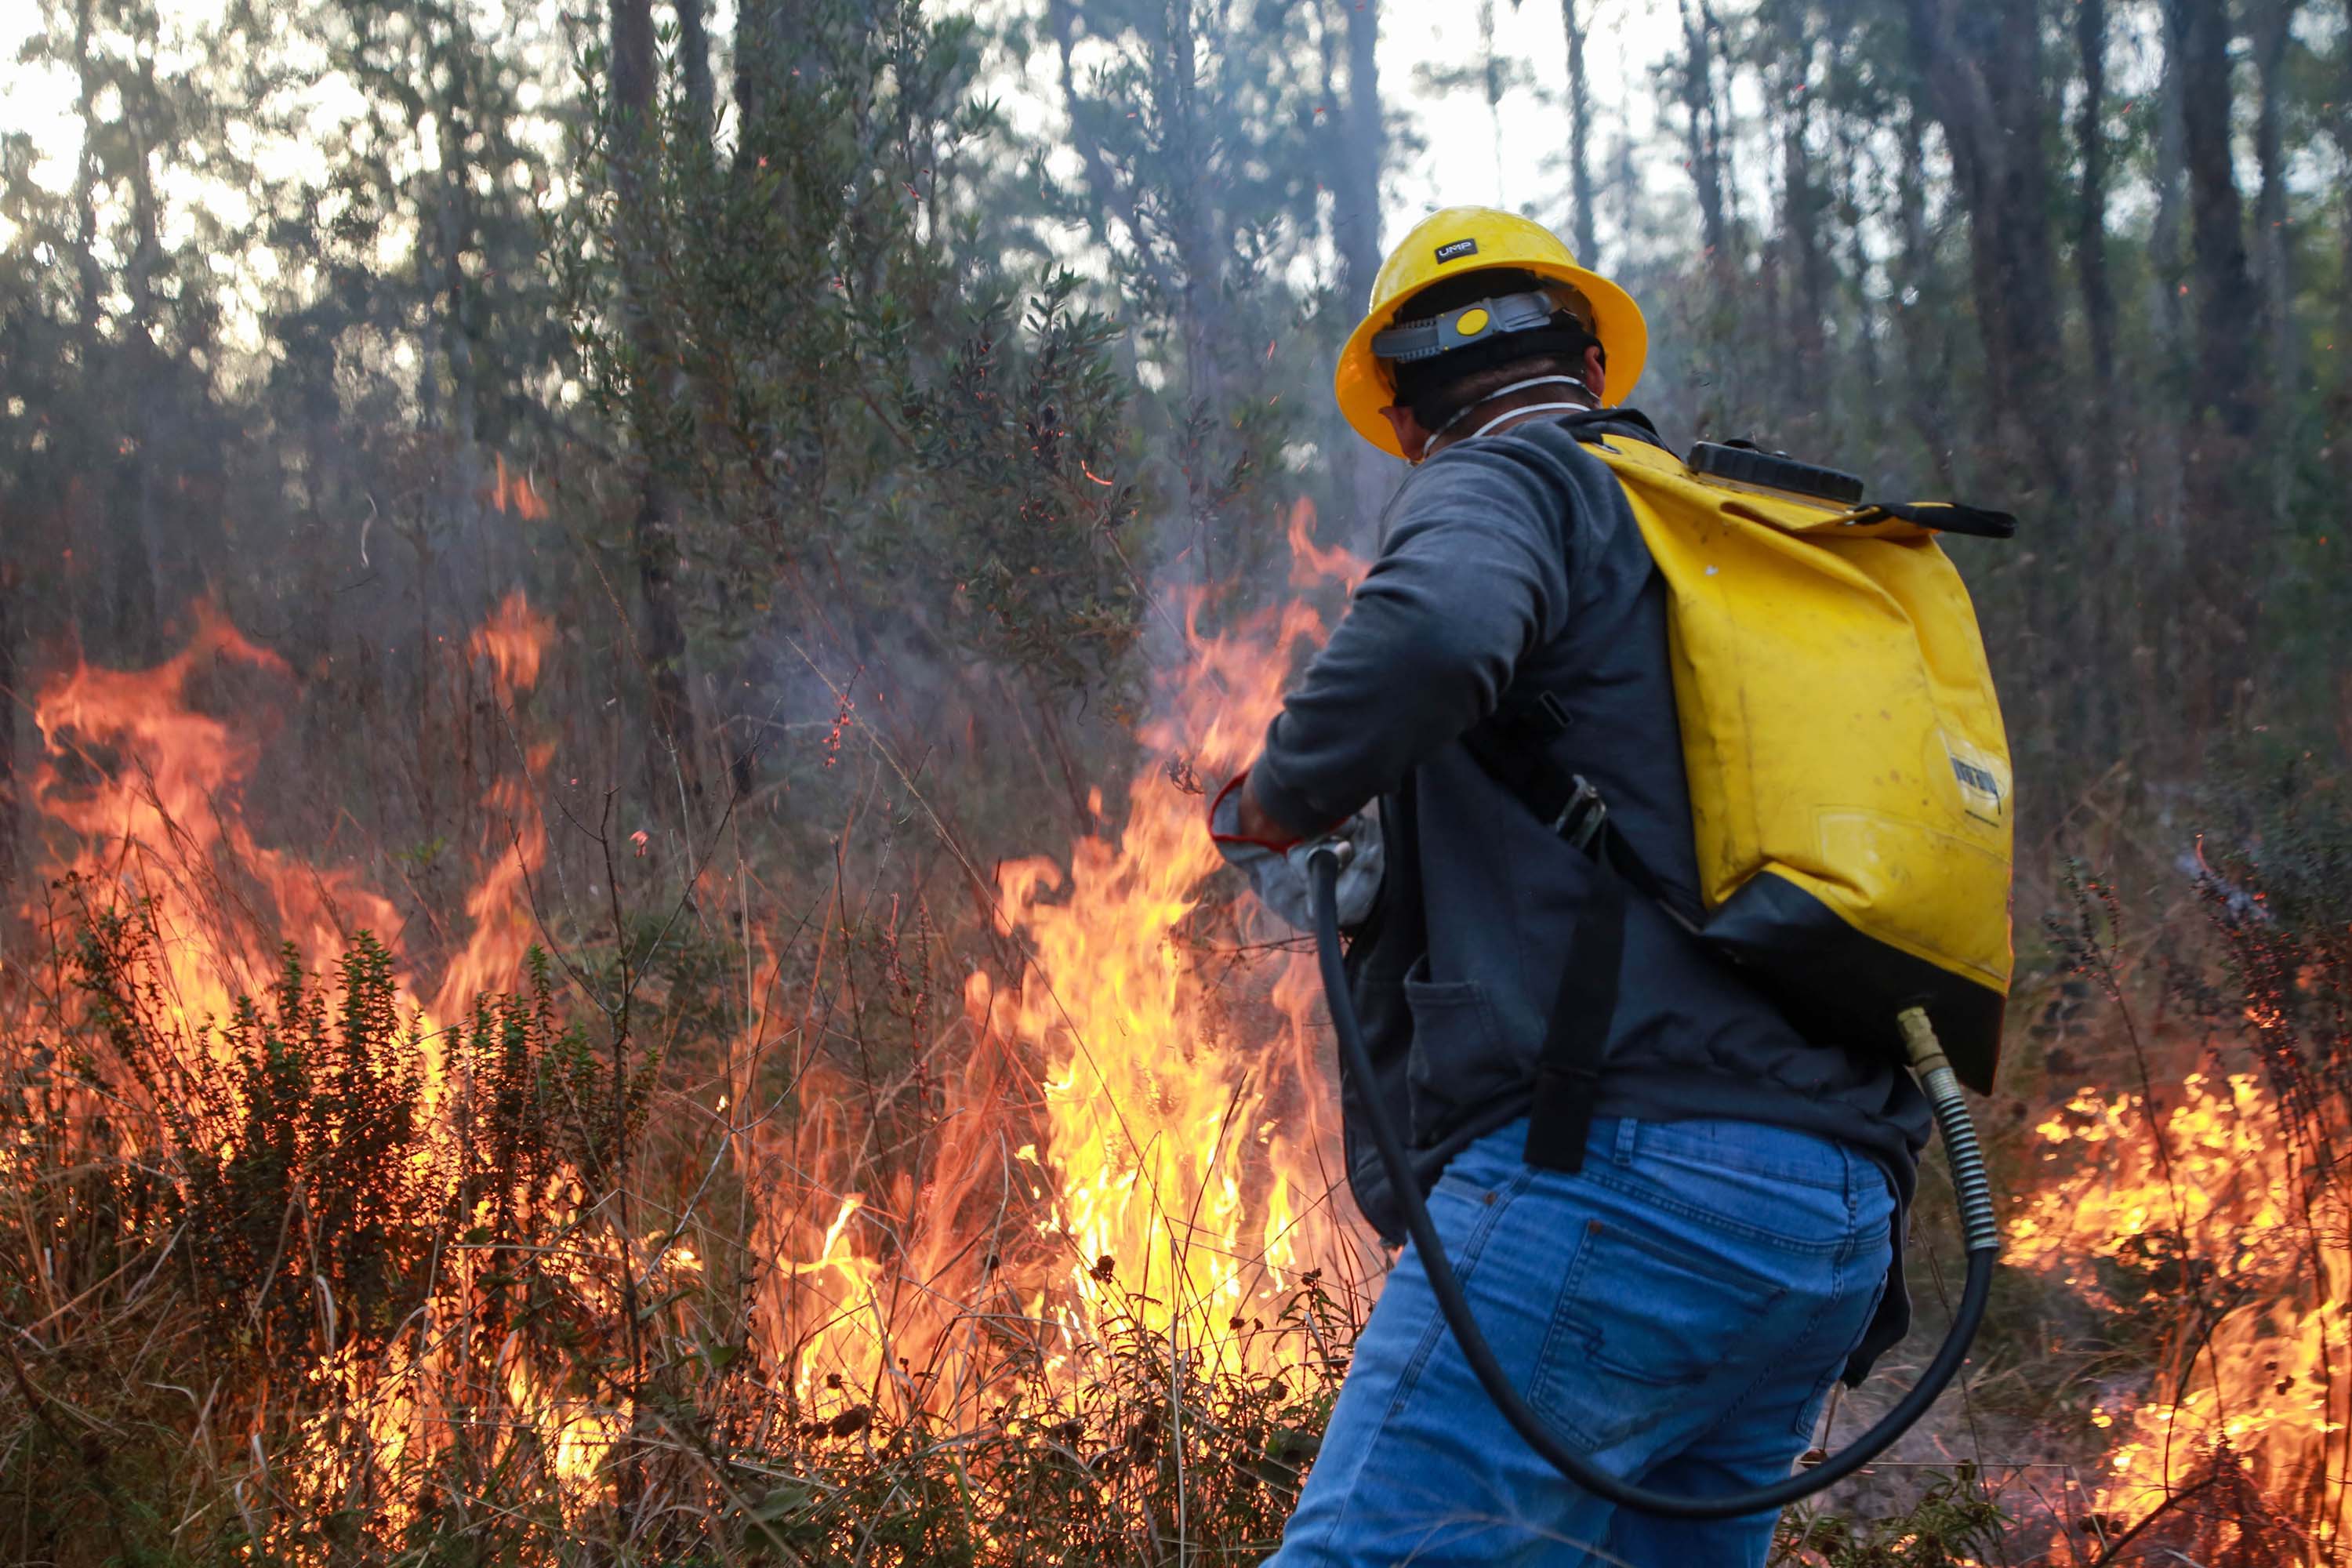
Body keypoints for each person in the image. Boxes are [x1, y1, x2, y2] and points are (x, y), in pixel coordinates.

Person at [1210, 207, 1932, 1567]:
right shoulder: (1730, 539)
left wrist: (1277, 801)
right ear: (1597, 366)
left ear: (1410, 417)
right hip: (1833, 1216)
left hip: (1614, 1177)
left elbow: (1432, 633)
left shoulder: (1513, 476)